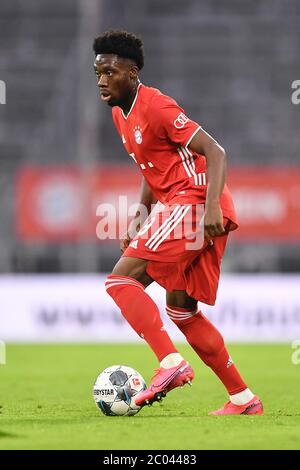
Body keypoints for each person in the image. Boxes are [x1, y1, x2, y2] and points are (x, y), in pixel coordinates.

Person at [93, 29, 263, 415]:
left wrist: (211, 208)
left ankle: (171, 363)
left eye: (110, 72)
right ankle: (243, 399)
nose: (102, 81)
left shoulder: (157, 106)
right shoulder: (122, 114)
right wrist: (140, 215)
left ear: (132, 72)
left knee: (122, 280)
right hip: (188, 206)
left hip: (196, 204)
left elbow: (216, 151)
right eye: (98, 73)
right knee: (181, 310)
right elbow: (151, 168)